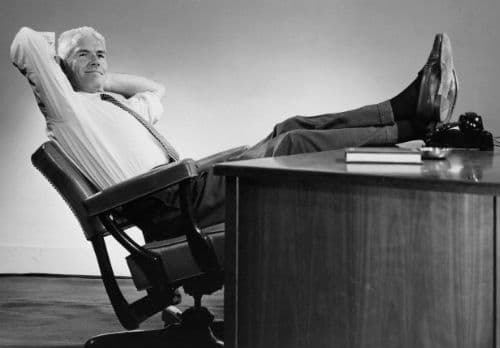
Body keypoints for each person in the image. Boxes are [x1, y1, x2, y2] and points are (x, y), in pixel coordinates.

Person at [11, 27, 458, 242]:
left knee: (289, 127)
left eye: (101, 54)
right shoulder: (69, 115)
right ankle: (413, 120)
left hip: (183, 185)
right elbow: (26, 42)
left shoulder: (112, 105)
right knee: (291, 148)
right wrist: (69, 68)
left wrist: (100, 78)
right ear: (59, 67)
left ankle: (408, 115)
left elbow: (154, 89)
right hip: (168, 204)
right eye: (83, 55)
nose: (96, 60)